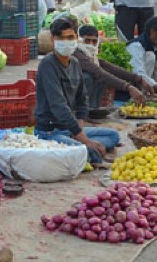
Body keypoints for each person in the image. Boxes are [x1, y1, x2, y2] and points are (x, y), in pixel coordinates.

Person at [34, 17, 121, 164]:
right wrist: (85, 139)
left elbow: (82, 99)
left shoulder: (74, 63)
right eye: (60, 38)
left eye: (70, 37)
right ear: (52, 39)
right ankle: (89, 151)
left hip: (70, 130)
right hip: (50, 132)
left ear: (76, 38)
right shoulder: (47, 65)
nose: (66, 42)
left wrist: (79, 128)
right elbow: (58, 106)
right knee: (83, 150)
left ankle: (89, 150)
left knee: (114, 136)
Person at [75, 24, 150, 108]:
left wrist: (138, 79)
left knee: (100, 77)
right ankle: (83, 111)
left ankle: (93, 110)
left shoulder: (92, 56)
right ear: (79, 39)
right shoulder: (77, 53)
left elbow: (110, 67)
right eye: (87, 41)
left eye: (94, 41)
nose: (91, 44)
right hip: (70, 96)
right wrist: (129, 87)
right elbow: (99, 72)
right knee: (88, 77)